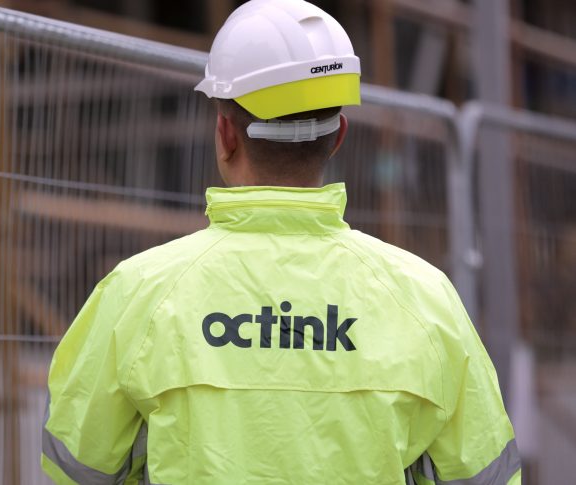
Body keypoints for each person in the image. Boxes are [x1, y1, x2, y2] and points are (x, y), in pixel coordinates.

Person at [41, 0, 521, 483]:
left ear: (226, 135)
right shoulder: (425, 297)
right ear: (338, 138)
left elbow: (76, 466)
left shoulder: (138, 292)